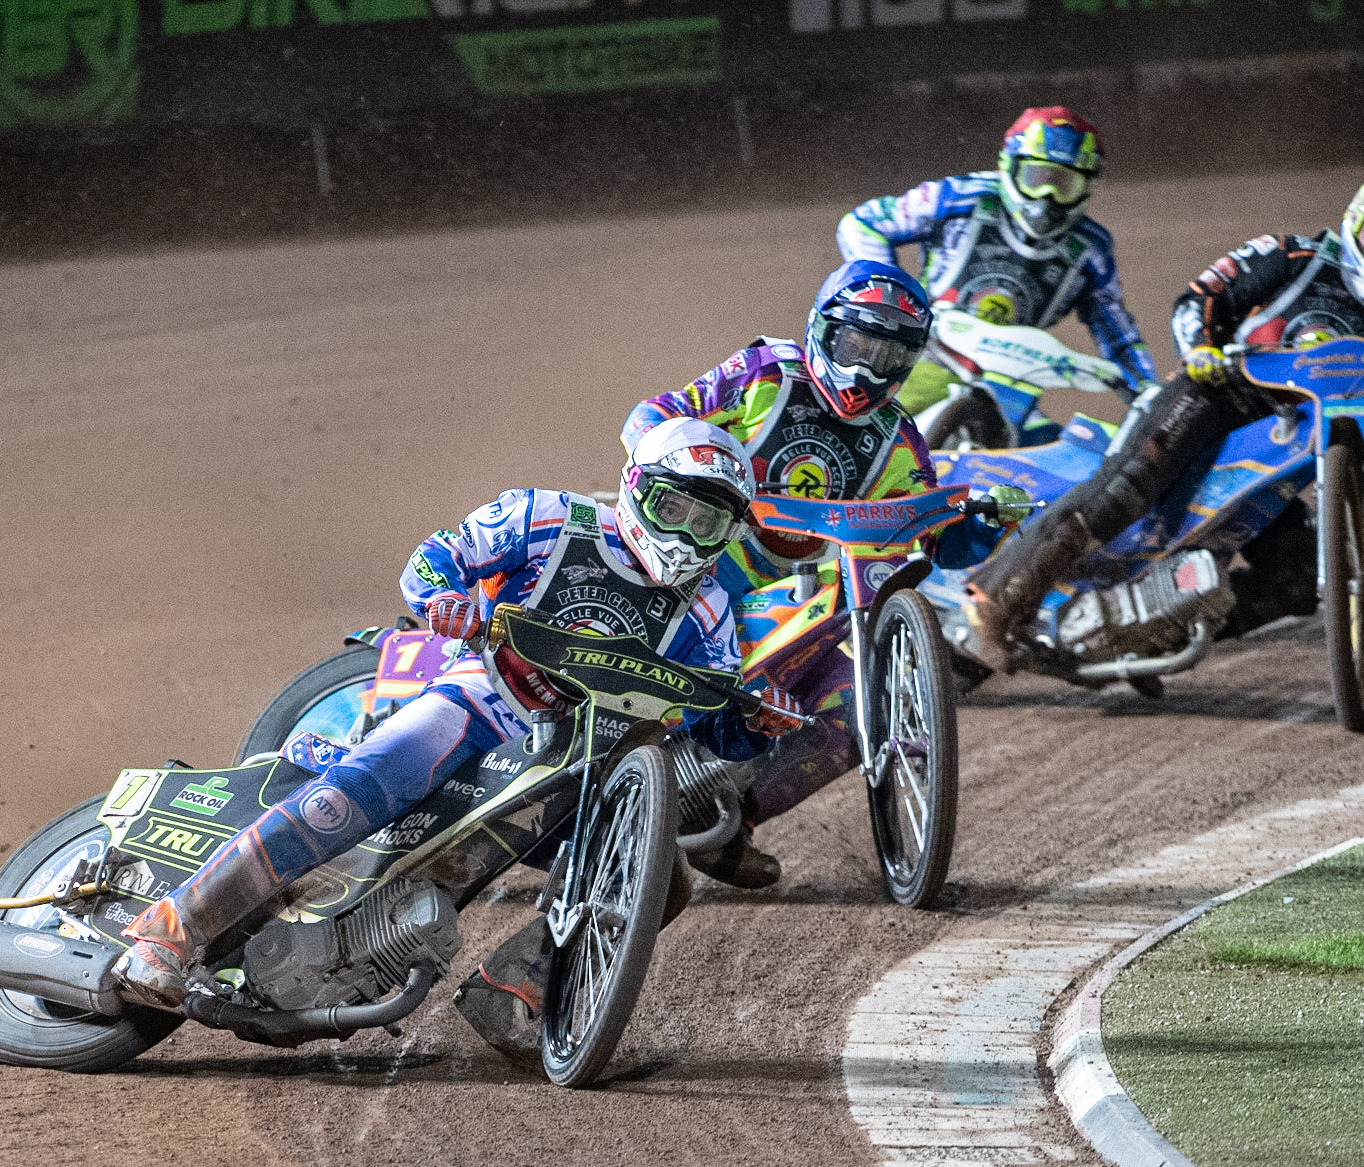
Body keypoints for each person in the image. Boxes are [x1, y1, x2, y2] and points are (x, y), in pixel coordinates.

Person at [116, 419, 806, 1061]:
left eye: (709, 519)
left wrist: (753, 722)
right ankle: (171, 931)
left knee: (659, 879)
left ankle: (514, 989)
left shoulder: (710, 606)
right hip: (477, 698)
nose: (686, 532)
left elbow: (708, 717)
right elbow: (436, 556)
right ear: (635, 490)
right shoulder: (551, 519)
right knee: (351, 794)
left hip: (574, 765)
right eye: (673, 508)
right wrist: (443, 596)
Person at [960, 170, 1364, 670]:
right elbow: (1202, 295)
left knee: (1297, 581)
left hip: (1280, 446)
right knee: (1122, 493)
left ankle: (1158, 632)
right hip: (1214, 396)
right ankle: (997, 598)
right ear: (1354, 227)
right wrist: (1200, 347)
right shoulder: (1293, 256)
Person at [622, 260, 1030, 886]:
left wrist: (981, 525)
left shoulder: (898, 440)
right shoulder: (764, 375)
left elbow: (935, 541)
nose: (867, 368)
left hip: (811, 594)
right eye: (856, 344)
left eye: (888, 355)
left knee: (858, 703)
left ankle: (730, 821)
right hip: (697, 563)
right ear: (822, 329)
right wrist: (673, 461)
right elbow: (654, 415)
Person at [837, 105, 1157, 433]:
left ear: (1086, 188)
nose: (1046, 197)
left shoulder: (1091, 249)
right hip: (925, 355)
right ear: (1010, 167)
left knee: (1058, 460)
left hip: (1012, 384)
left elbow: (1117, 333)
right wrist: (894, 301)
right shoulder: (959, 198)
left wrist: (1149, 394)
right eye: (1037, 179)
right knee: (857, 423)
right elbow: (862, 224)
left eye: (1064, 185)